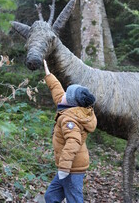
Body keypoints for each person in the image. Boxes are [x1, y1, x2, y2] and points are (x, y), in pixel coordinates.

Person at [43, 59, 97, 203]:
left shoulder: (70, 120)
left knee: (74, 199)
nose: (64, 94)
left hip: (72, 169)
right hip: (69, 167)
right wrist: (48, 74)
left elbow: (73, 142)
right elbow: (57, 91)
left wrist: (64, 169)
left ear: (71, 102)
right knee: (51, 196)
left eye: (67, 94)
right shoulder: (72, 109)